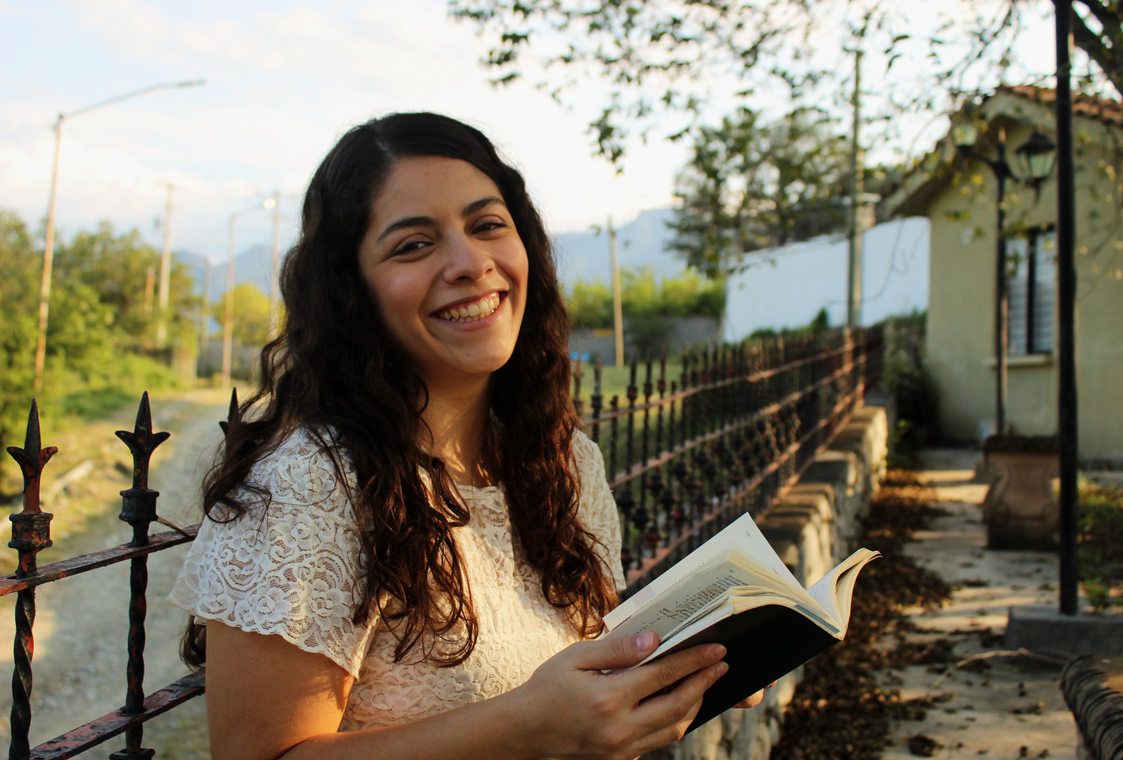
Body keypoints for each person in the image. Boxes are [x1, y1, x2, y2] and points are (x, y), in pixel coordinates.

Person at [168, 112, 756, 760]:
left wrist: (675, 674)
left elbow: (581, 697)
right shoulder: (309, 485)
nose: (471, 264)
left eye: (486, 226)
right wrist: (525, 727)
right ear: (352, 292)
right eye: (413, 245)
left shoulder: (567, 465)